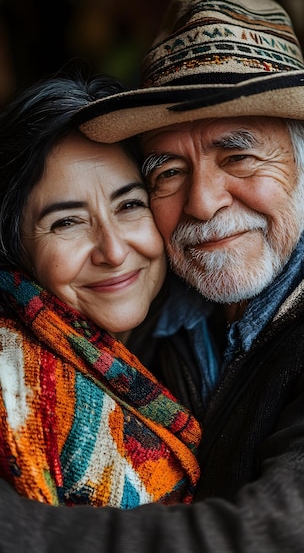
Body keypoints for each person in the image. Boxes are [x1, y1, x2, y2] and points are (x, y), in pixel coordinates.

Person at [2, 0, 304, 552]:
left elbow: (298, 534)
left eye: (237, 155)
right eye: (167, 172)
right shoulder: (156, 314)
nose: (202, 203)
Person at [0, 68, 202, 509]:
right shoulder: (15, 383)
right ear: (16, 246)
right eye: (67, 222)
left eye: (130, 205)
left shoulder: (193, 329)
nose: (112, 251)